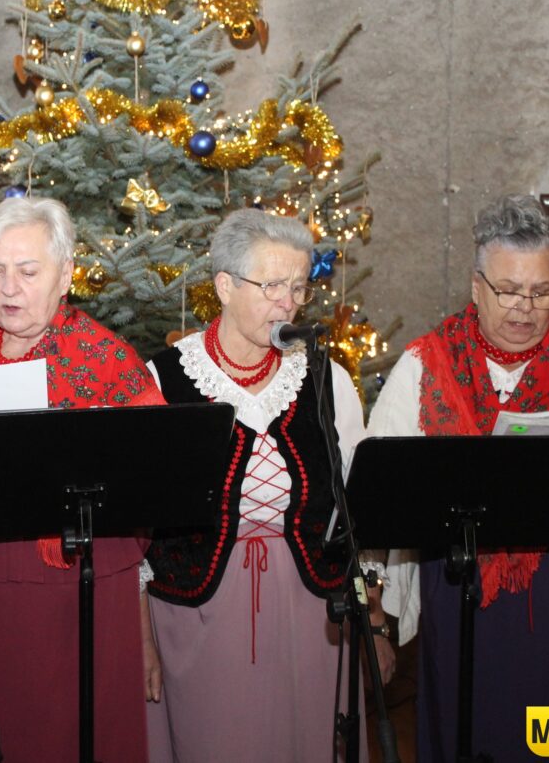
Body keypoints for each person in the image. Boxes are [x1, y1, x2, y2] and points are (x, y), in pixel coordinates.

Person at [367, 195, 549, 761]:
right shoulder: (429, 363)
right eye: (508, 290)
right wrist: (376, 609)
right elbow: (378, 488)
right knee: (475, 734)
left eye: (541, 292)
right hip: (463, 591)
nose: (525, 308)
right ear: (476, 286)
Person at [0, 197, 165, 763]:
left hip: (74, 594)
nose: (8, 288)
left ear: (65, 274)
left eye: (27, 271)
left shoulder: (108, 360)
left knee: (64, 738)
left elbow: (156, 480)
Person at [143, 208, 392, 763]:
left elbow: (358, 508)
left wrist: (373, 621)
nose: (288, 303)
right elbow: (137, 526)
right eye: (272, 285)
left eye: (298, 288)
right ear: (225, 286)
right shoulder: (165, 378)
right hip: (198, 609)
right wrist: (139, 636)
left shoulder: (326, 378)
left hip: (313, 608)